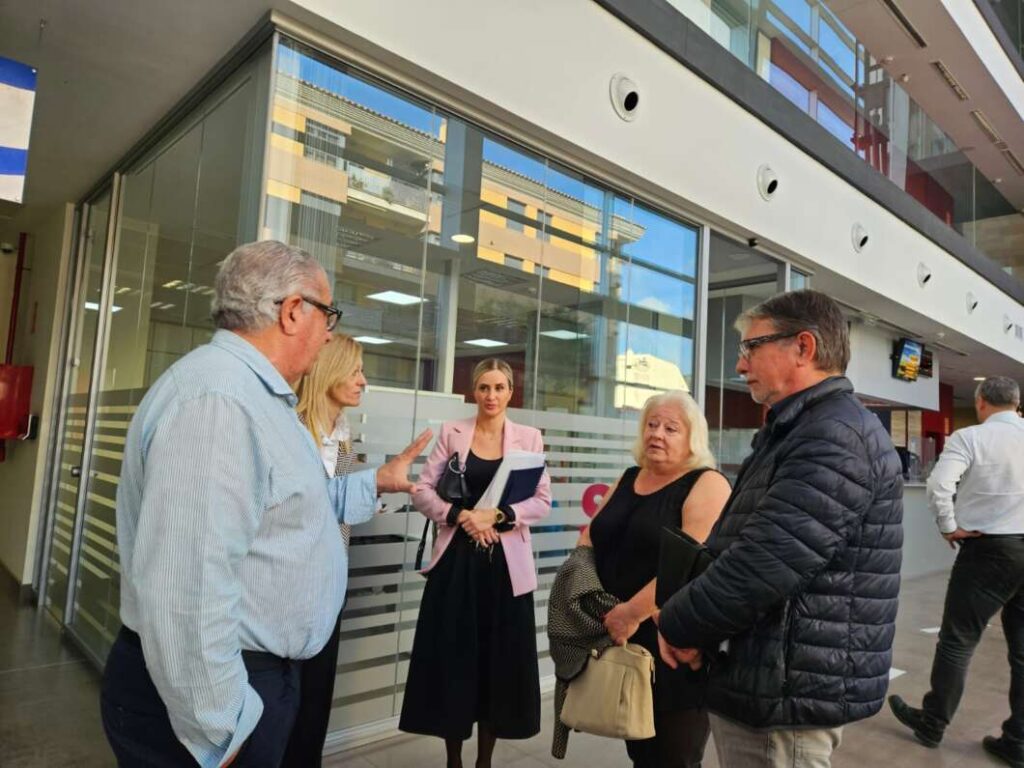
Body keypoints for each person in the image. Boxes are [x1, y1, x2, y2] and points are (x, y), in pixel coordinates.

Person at [99, 241, 431, 768]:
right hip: (217, 692)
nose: (328, 333)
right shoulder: (219, 403)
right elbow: (188, 583)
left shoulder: (260, 397)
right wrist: (224, 727)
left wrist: (377, 483)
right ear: (294, 310)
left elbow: (292, 509)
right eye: (329, 314)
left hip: (251, 677)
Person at [656, 289, 904, 768]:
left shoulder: (834, 436)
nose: (741, 364)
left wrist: (677, 622)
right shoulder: (803, 428)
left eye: (751, 347)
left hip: (784, 692)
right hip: (768, 674)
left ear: (804, 347)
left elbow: (761, 565)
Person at [399, 358, 551, 768]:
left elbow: (541, 501)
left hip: (505, 568)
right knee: (454, 660)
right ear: (474, 391)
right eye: (484, 387)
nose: (491, 395)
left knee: (498, 663)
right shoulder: (453, 433)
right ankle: (454, 760)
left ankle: (485, 760)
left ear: (510, 392)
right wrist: (459, 517)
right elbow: (422, 491)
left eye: (499, 387)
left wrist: (496, 516)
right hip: (456, 566)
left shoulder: (530, 438)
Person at [579, 390, 731, 768]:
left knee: (673, 754)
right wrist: (582, 591)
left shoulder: (706, 483)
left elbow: (689, 561)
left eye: (670, 428)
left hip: (673, 640)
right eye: (651, 424)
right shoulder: (630, 477)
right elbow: (590, 537)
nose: (657, 434)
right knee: (640, 749)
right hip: (620, 634)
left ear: (692, 437)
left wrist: (631, 612)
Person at [889, 376, 1024, 767]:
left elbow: (939, 484)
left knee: (958, 641)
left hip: (989, 550)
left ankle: (932, 723)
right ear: (1016, 403)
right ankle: (1017, 741)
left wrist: (949, 526)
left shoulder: (970, 439)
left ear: (981, 402)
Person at [282, 334, 367, 767]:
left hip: (328, 588)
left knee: (315, 704)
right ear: (330, 370)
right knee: (281, 707)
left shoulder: (344, 437)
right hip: (287, 591)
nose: (362, 381)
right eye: (354, 371)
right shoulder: (292, 432)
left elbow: (340, 514)